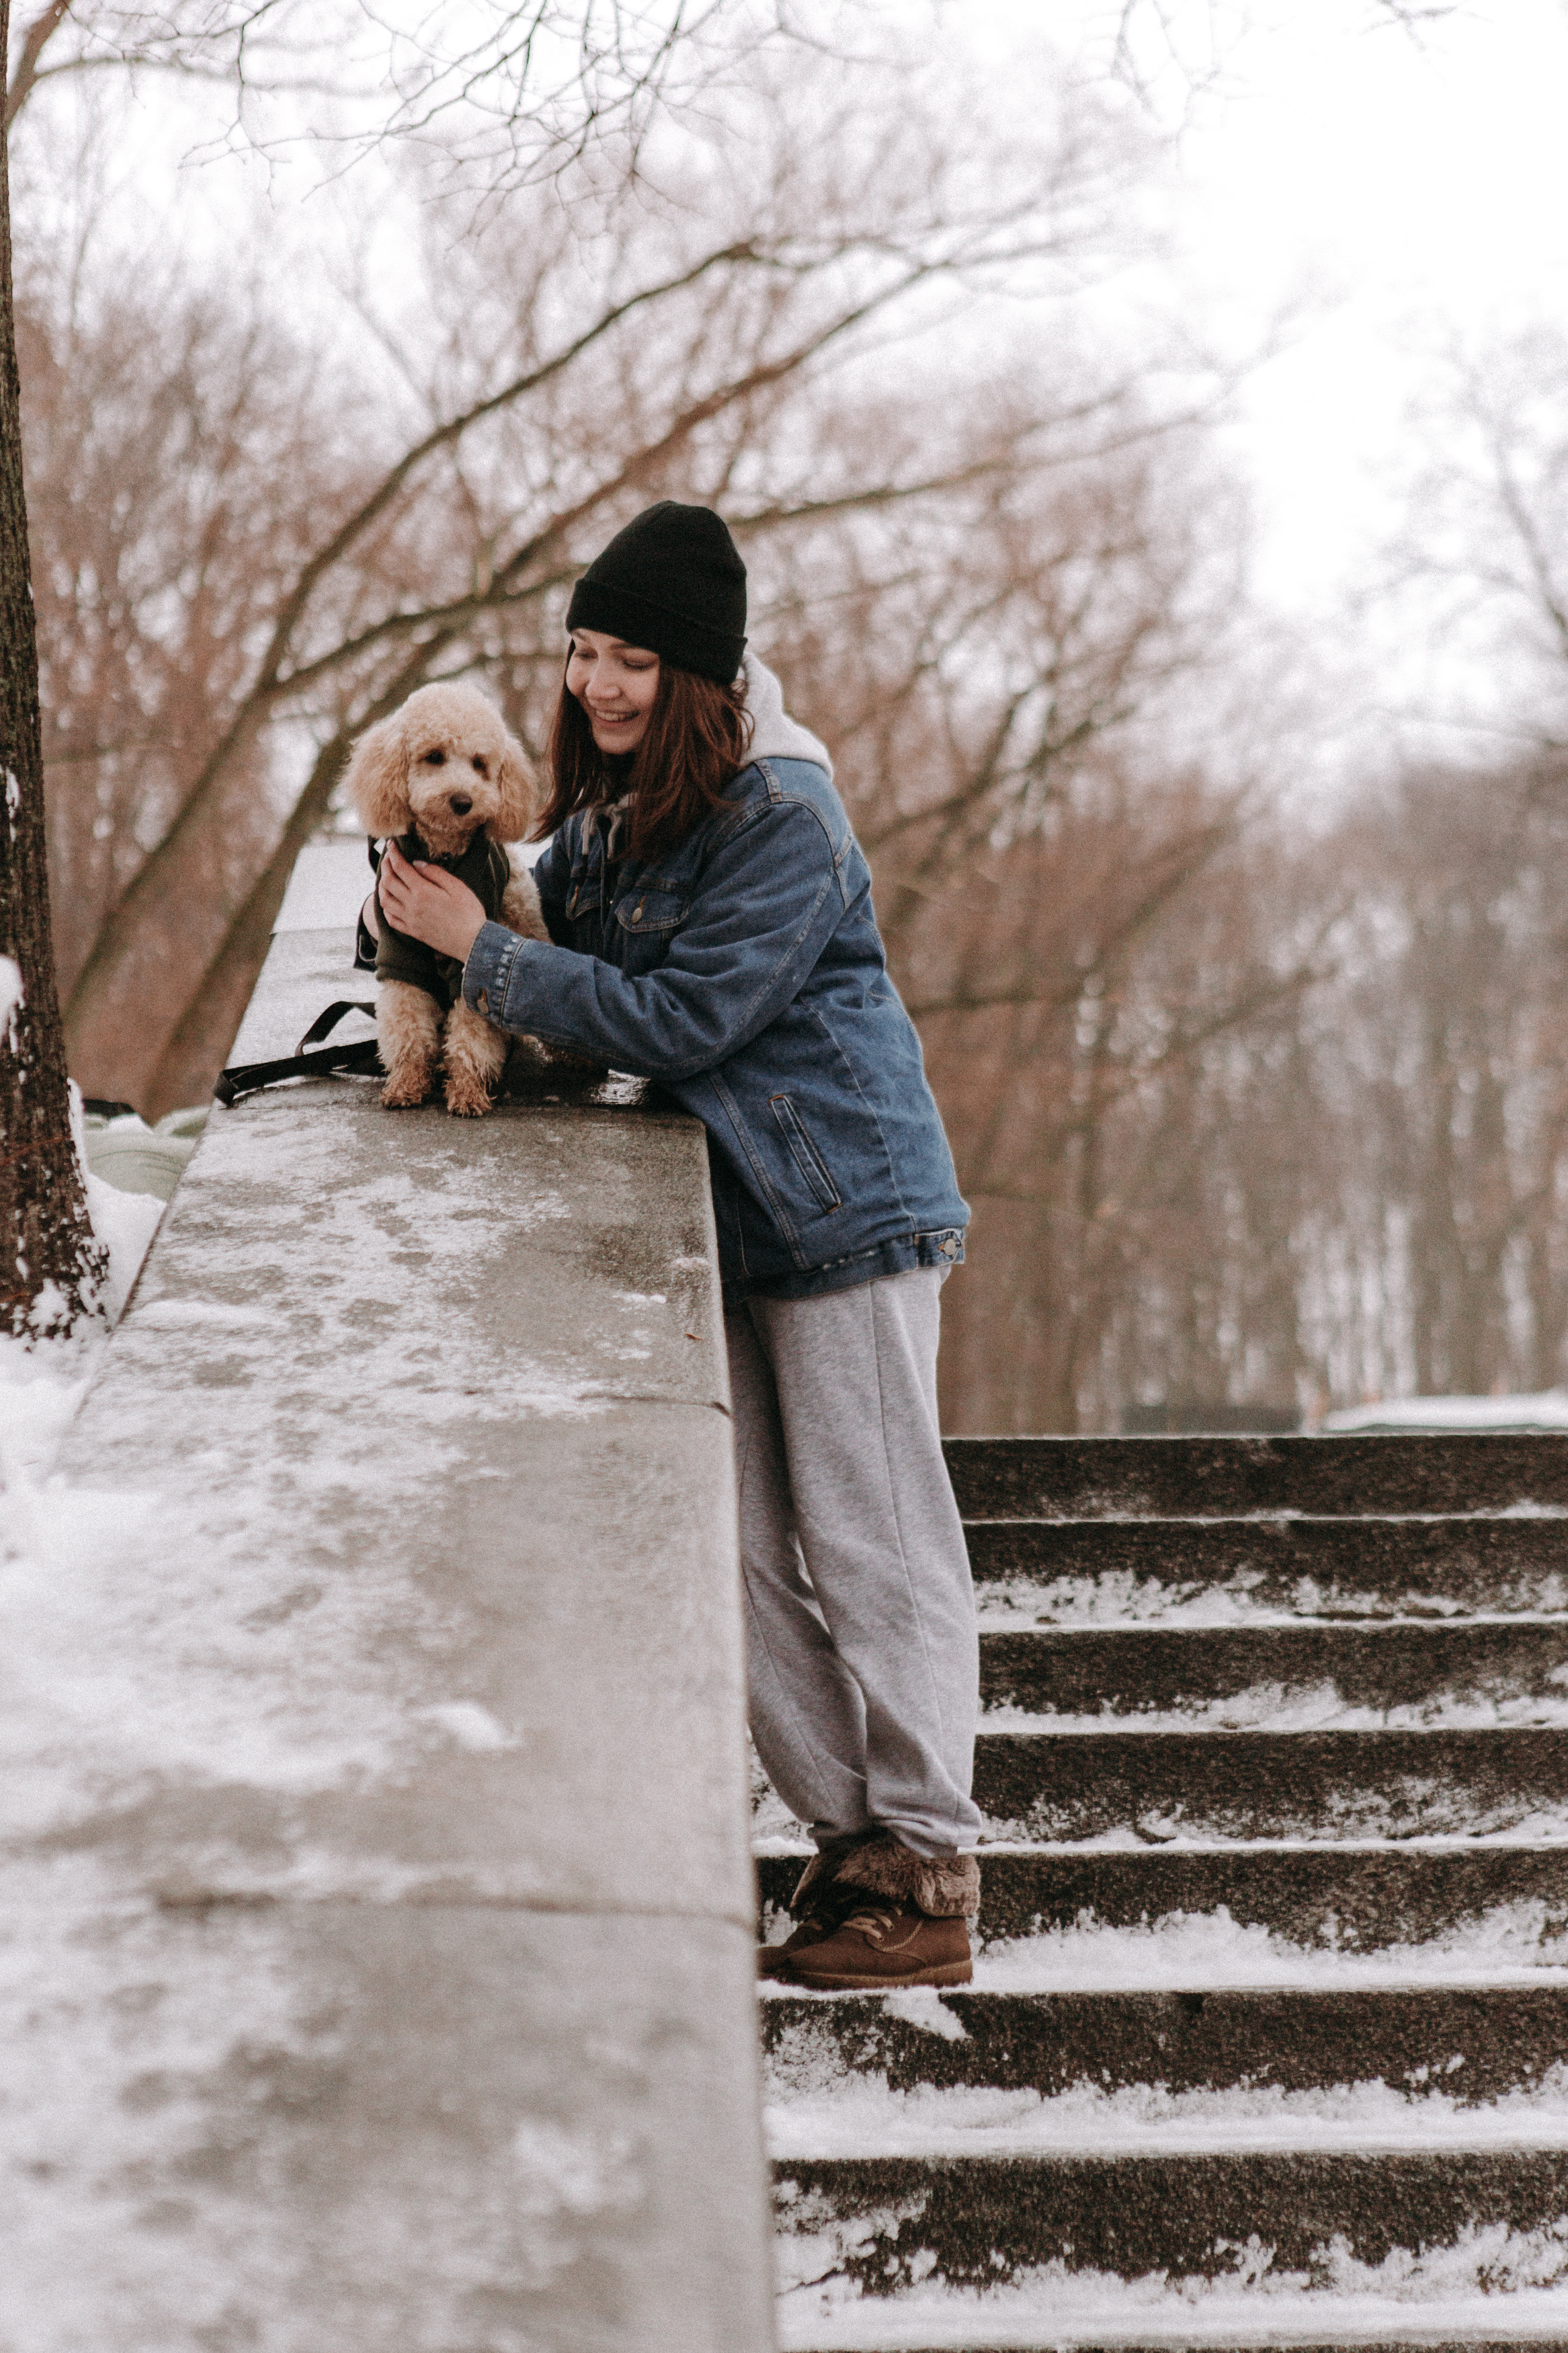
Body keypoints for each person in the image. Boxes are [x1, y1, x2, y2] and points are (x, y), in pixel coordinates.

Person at [375, 501, 982, 1990]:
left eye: (634, 656)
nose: (600, 684)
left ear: (701, 670)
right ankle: (851, 1856)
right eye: (582, 651)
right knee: (739, 1552)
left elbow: (686, 1018)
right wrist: (419, 930)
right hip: (725, 1216)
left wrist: (483, 953)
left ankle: (932, 1862)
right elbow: (546, 939)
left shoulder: (782, 811)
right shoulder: (611, 816)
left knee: (871, 1537)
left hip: (845, 1204)